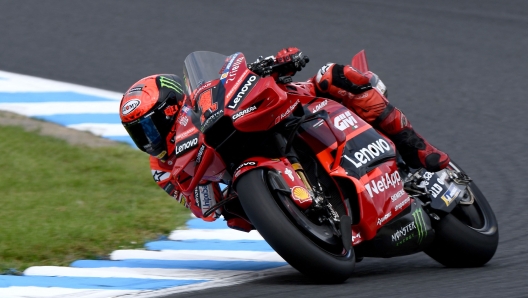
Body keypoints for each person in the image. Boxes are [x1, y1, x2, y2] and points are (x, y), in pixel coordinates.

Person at [119, 48, 449, 229]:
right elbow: (202, 208)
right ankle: (309, 222)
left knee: (332, 75)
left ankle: (417, 148)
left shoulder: (203, 103)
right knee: (236, 218)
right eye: (138, 133)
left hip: (288, 109)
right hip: (243, 183)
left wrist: (276, 64)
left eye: (148, 127)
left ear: (172, 108)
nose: (147, 139)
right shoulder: (162, 167)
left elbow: (235, 79)